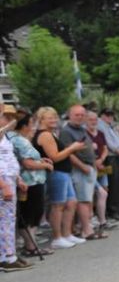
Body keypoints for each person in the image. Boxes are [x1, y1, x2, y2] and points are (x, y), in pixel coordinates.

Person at [34, 106, 85, 248]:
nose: (54, 120)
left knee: (71, 202)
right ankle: (57, 237)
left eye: (55, 117)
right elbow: (54, 157)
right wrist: (72, 148)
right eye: (50, 118)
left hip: (63, 172)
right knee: (58, 205)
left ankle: (67, 234)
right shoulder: (45, 135)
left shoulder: (51, 133)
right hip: (56, 172)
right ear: (41, 119)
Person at [10, 112, 52, 257]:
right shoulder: (20, 141)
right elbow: (27, 163)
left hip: (29, 181)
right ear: (24, 126)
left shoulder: (14, 138)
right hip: (30, 182)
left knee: (31, 213)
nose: (33, 127)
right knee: (31, 214)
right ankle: (30, 246)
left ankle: (31, 245)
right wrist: (45, 166)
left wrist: (40, 161)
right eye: (31, 123)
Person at [1, 103, 32, 271]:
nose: (10, 121)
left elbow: (9, 159)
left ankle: (9, 253)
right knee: (5, 220)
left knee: (9, 219)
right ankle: (6, 257)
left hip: (10, 179)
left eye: (12, 118)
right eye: (6, 117)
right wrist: (3, 185)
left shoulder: (5, 137)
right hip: (3, 181)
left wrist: (18, 179)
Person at [63, 105, 100, 239]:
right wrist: (82, 166)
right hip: (79, 170)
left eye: (82, 115)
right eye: (76, 115)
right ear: (70, 116)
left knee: (88, 200)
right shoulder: (66, 131)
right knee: (83, 200)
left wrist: (93, 165)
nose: (80, 117)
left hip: (89, 168)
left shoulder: (81, 129)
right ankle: (87, 230)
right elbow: (68, 153)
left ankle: (84, 227)